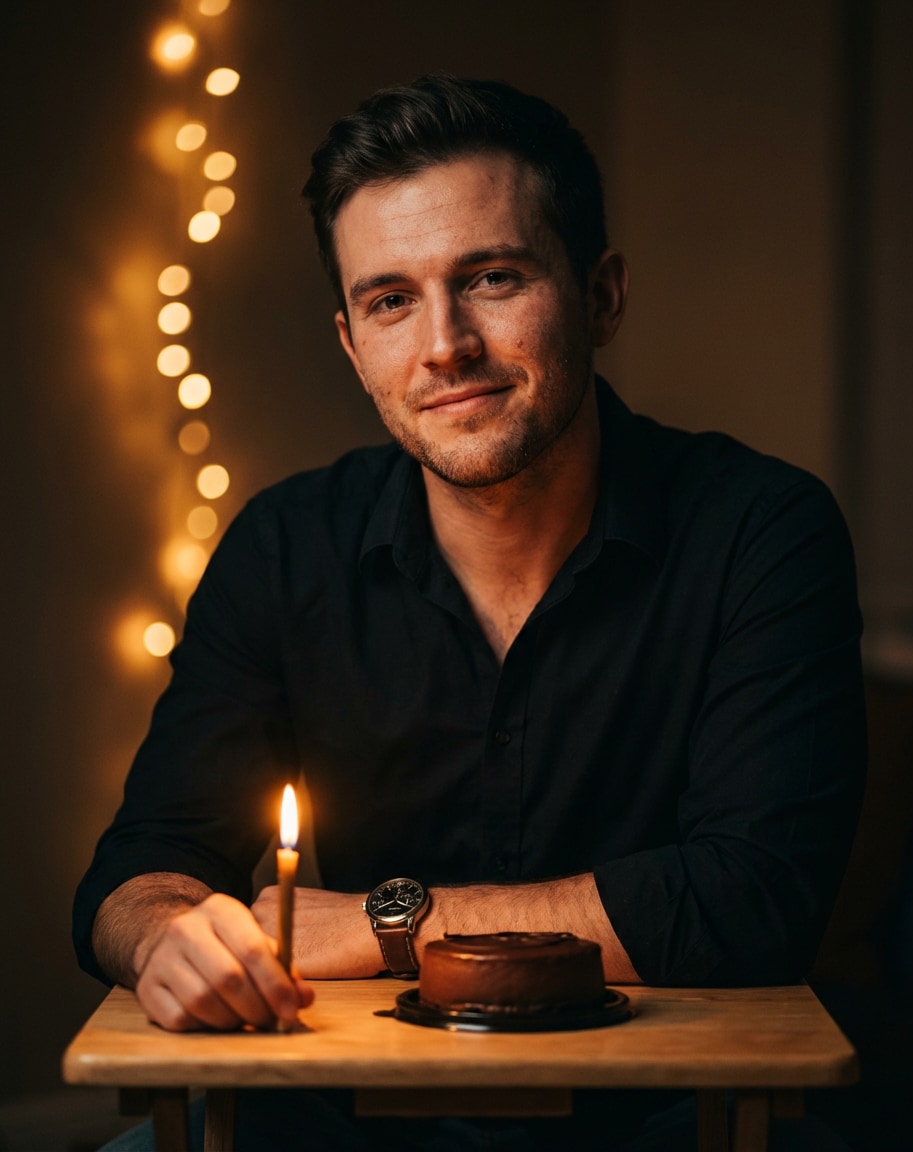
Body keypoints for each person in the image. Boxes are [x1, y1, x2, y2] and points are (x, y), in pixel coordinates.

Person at [75, 75, 865, 1149]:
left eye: (492, 278)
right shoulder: (280, 544)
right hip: (332, 1112)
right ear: (353, 344)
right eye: (390, 300)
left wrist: (377, 925)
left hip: (668, 1108)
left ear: (602, 296)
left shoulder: (761, 529)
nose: (444, 344)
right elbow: (138, 870)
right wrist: (167, 934)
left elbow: (754, 901)